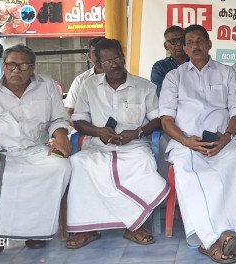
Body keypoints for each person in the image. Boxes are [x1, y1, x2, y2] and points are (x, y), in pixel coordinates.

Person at [0, 45, 73, 256]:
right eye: (11, 65)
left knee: (60, 167)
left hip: (36, 150)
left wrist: (61, 136)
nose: (16, 71)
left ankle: (35, 232)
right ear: (3, 66)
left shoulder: (46, 85)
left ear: (32, 68)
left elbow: (58, 118)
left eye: (23, 66)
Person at [159, 24, 236, 263]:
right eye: (189, 42)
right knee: (190, 171)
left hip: (222, 139)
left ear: (209, 44)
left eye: (200, 41)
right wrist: (186, 141)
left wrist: (227, 137)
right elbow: (166, 119)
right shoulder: (174, 77)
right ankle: (211, 239)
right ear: (183, 47)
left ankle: (231, 229)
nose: (195, 46)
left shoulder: (226, 72)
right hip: (186, 141)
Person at [66, 38, 168, 249]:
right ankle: (87, 230)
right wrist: (98, 132)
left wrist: (137, 132)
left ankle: (134, 226)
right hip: (98, 145)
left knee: (142, 163)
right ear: (99, 64)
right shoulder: (88, 86)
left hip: (134, 146)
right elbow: (78, 119)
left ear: (123, 58)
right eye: (107, 61)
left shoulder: (144, 86)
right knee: (78, 163)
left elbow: (158, 119)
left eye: (117, 58)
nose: (114, 64)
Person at [64, 36, 105, 116]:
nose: (99, 56)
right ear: (89, 56)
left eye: (102, 52)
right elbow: (69, 112)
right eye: (95, 52)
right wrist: (88, 128)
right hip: (85, 126)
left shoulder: (121, 79)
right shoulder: (80, 80)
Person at [150, 25, 188, 95]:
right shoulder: (160, 67)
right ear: (166, 46)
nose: (179, 44)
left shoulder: (195, 63)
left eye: (182, 40)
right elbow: (161, 95)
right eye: (174, 41)